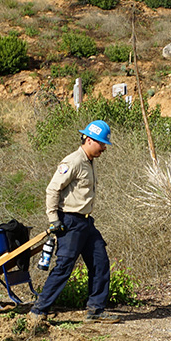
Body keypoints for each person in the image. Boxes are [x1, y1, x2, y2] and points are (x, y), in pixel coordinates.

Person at [30, 120, 119, 326]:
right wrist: (53, 219)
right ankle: (38, 310)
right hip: (70, 221)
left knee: (100, 262)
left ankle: (96, 309)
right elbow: (52, 190)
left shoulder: (89, 161)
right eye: (102, 144)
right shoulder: (73, 161)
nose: (104, 148)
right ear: (89, 140)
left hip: (86, 223)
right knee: (64, 267)